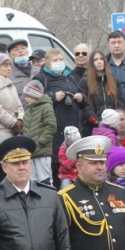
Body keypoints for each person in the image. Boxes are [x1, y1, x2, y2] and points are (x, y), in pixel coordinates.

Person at [34, 49, 90, 182]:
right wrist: (53, 97)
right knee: (56, 164)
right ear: (48, 63)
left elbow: (84, 101)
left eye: (61, 59)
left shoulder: (69, 76)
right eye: (55, 60)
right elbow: (34, 100)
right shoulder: (41, 78)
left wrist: (81, 97)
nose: (59, 62)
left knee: (73, 162)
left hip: (73, 129)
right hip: (54, 131)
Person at [22, 81, 56, 186]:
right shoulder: (28, 111)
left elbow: (51, 126)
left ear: (35, 95)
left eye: (28, 96)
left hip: (42, 152)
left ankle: (49, 196)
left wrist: (41, 142)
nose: (26, 99)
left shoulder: (46, 107)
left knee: (45, 180)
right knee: (32, 182)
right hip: (31, 153)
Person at [80, 50, 121, 136]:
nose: (99, 62)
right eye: (96, 60)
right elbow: (85, 106)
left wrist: (115, 119)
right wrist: (98, 121)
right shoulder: (85, 82)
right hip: (93, 127)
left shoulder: (114, 80)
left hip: (113, 126)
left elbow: (120, 102)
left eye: (101, 59)